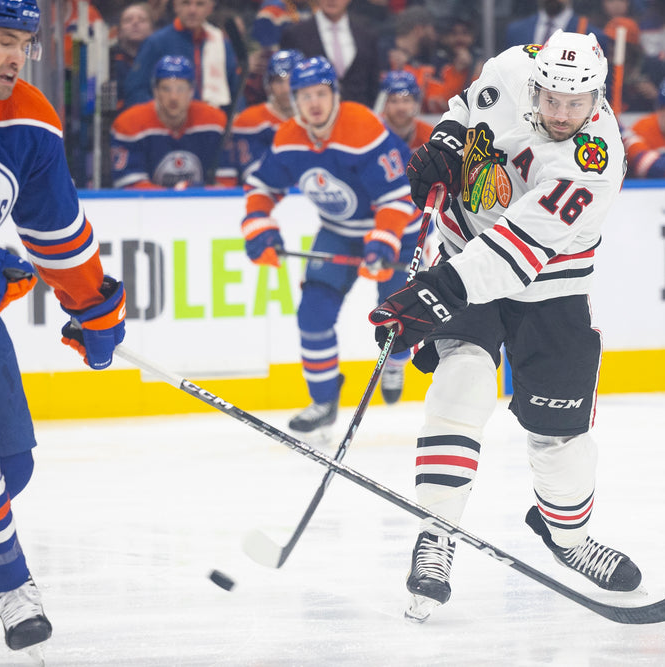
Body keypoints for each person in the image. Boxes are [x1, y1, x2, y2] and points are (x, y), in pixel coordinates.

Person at [366, 30, 642, 623]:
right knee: (462, 382)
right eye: (552, 99)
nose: (564, 114)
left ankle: (566, 537)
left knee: (559, 437)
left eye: (578, 102)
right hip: (463, 247)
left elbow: (515, 252)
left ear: (597, 94)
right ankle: (436, 532)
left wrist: (432, 297)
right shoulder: (511, 65)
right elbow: (467, 108)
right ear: (536, 81)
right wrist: (443, 142)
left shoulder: (597, 161)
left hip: (548, 288)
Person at [0, 0, 126, 656]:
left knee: (9, 463)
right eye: (3, 41)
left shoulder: (30, 117)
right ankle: (14, 591)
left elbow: (57, 234)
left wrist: (94, 306)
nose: (17, 56)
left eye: (25, 42)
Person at [240, 56, 423, 440]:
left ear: (334, 95)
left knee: (395, 323)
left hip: (398, 229)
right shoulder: (289, 136)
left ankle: (396, 362)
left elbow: (398, 196)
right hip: (339, 230)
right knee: (313, 314)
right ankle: (323, 402)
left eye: (321, 93)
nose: (314, 103)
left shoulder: (361, 126)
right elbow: (261, 185)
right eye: (305, 95)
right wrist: (259, 225)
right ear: (294, 99)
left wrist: (384, 241)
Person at [110, 55, 235, 188]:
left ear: (191, 91)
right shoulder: (130, 124)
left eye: (180, 89)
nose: (173, 97)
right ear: (155, 91)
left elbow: (226, 182)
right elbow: (130, 185)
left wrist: (188, 193)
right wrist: (176, 197)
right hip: (149, 208)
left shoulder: (215, 122)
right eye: (166, 89)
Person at [123, 0, 241, 111]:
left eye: (200, 4)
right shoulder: (156, 42)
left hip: (213, 124)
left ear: (210, 8)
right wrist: (160, 116)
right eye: (185, 3)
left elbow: (236, 91)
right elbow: (136, 90)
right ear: (176, 6)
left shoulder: (220, 43)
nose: (192, 10)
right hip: (166, 124)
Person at [278, 0, 380, 107]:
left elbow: (373, 82)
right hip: (312, 113)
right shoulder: (295, 34)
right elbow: (289, 82)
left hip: (359, 114)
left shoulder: (366, 33)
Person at [230, 48, 303, 184]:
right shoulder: (250, 121)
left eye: (291, 81)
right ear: (268, 85)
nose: (286, 89)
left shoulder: (318, 120)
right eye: (279, 81)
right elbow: (255, 176)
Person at [110, 2, 156, 112]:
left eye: (142, 20)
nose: (135, 23)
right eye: (128, 20)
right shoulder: (108, 58)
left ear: (153, 30)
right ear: (119, 32)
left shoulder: (159, 58)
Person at [374, 70, 433, 152]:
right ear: (385, 104)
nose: (400, 107)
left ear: (415, 103)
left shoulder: (430, 136)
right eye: (393, 100)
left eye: (406, 100)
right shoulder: (372, 133)